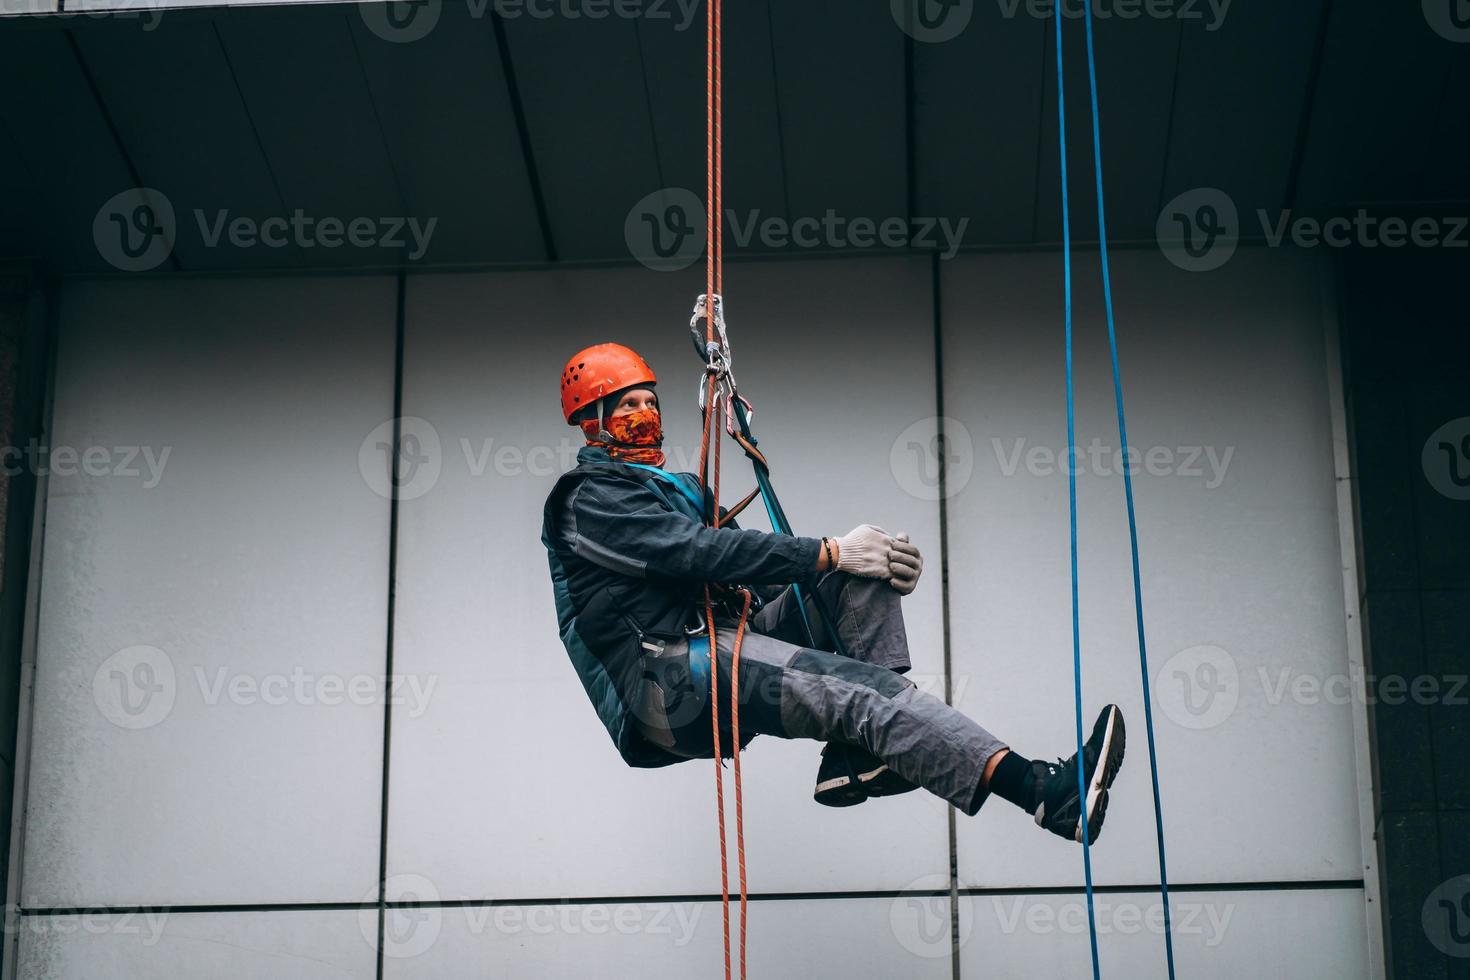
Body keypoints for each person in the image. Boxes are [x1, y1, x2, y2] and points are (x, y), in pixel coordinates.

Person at [541, 342, 1125, 842]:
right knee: (862, 691)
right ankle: (1043, 794)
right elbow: (694, 551)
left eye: (649, 402)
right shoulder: (587, 500)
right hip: (669, 677)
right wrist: (827, 548)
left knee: (851, 582)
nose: (644, 414)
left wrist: (864, 563)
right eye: (626, 406)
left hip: (708, 652)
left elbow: (754, 567)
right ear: (593, 421)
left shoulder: (678, 488)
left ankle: (858, 756)